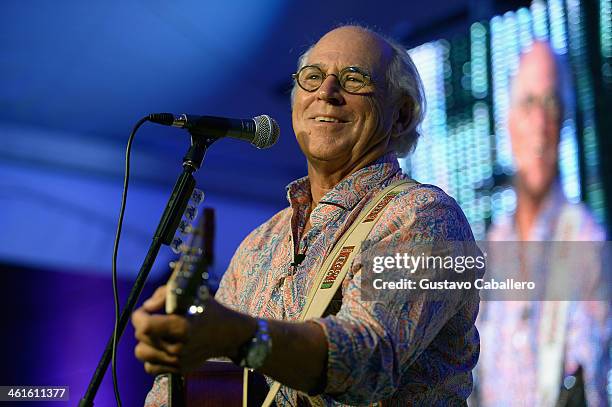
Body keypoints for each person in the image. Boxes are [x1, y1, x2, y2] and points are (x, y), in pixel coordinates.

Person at [132, 25, 482, 405]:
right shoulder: (259, 245)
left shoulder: (423, 216)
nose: (326, 93)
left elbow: (368, 362)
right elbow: (208, 379)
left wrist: (239, 336)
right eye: (312, 77)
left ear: (400, 114)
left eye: (353, 79)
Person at [475, 42, 610, 406]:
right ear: (508, 121)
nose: (540, 123)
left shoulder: (586, 239)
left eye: (551, 104)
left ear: (564, 118)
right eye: (528, 103)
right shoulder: (493, 242)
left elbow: (587, 383)